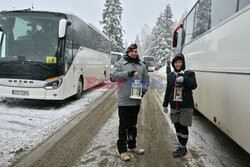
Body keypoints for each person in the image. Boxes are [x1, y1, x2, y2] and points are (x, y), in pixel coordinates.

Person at [110, 44, 149, 161]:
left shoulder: (141, 65)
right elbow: (112, 76)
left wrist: (143, 91)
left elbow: (146, 79)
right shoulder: (121, 64)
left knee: (132, 125)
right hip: (124, 100)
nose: (134, 53)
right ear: (127, 52)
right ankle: (122, 150)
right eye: (132, 51)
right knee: (123, 126)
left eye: (136, 51)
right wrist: (128, 74)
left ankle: (132, 145)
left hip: (136, 101)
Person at [163, 53, 197, 158]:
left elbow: (194, 85)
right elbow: (168, 90)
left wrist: (184, 79)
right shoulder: (171, 75)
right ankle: (181, 145)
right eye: (176, 62)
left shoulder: (189, 73)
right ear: (173, 64)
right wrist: (165, 104)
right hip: (174, 105)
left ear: (183, 63)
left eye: (180, 62)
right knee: (177, 127)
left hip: (186, 106)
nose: (178, 64)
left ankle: (182, 147)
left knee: (183, 126)